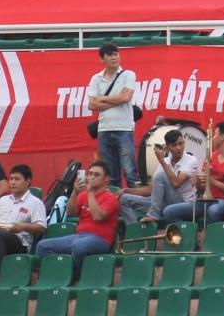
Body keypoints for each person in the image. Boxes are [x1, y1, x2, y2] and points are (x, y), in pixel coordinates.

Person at [35, 160, 119, 278]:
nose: (91, 177)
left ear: (106, 179)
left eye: (96, 175)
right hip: (80, 236)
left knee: (79, 247)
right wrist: (75, 192)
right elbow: (70, 212)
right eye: (90, 174)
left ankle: (76, 276)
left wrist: (90, 193)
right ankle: (62, 273)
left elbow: (98, 216)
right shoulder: (83, 195)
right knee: (42, 246)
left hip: (101, 240)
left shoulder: (110, 198)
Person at [163, 120, 224, 224]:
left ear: (223, 137)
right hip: (206, 201)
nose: (213, 138)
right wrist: (198, 182)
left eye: (216, 134)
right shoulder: (211, 157)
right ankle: (188, 235)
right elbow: (203, 187)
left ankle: (210, 238)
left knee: (213, 211)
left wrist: (215, 183)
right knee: (169, 211)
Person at [88, 43, 141, 188]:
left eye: (115, 54)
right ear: (102, 59)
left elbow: (125, 98)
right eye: (109, 55)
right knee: (111, 174)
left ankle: (135, 202)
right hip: (104, 130)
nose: (113, 58)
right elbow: (91, 105)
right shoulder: (96, 78)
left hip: (124, 128)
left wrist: (101, 98)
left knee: (130, 170)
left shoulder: (128, 75)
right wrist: (115, 99)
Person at [118, 129, 198, 224]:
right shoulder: (166, 161)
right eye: (174, 145)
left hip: (183, 202)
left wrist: (162, 161)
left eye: (181, 143)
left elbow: (176, 183)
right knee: (123, 199)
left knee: (160, 175)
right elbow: (153, 190)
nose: (179, 148)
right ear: (167, 147)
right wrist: (126, 190)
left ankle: (153, 215)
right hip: (161, 203)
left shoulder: (191, 160)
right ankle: (135, 229)